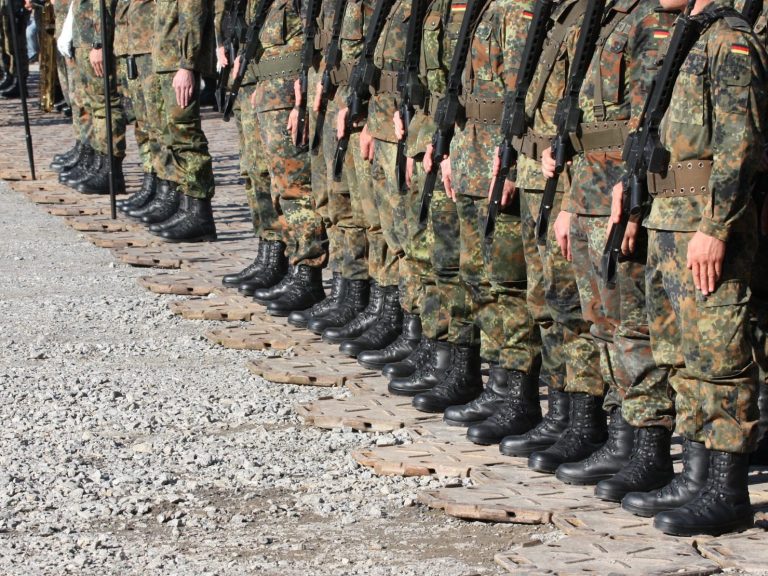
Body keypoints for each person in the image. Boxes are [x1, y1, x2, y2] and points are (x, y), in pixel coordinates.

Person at [620, 0, 768, 537]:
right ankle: (696, 478)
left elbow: (739, 143)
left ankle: (727, 494)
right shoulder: (689, 36)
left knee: (720, 358)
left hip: (704, 226)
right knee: (681, 356)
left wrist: (717, 226)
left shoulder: (730, 40)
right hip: (669, 220)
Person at [134, 0, 217, 242]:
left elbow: (193, 13)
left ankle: (199, 213)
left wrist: (187, 64)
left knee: (186, 136)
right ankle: (186, 205)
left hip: (177, 62)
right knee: (171, 134)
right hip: (165, 58)